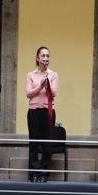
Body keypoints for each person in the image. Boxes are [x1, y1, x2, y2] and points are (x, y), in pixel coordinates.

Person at [25, 46, 58, 183]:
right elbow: (28, 94)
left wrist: (47, 83)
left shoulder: (53, 74)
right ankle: (33, 172)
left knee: (47, 143)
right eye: (43, 55)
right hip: (34, 111)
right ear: (37, 58)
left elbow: (54, 93)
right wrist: (40, 86)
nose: (45, 58)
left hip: (48, 111)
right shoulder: (30, 75)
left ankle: (44, 172)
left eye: (47, 56)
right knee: (33, 142)